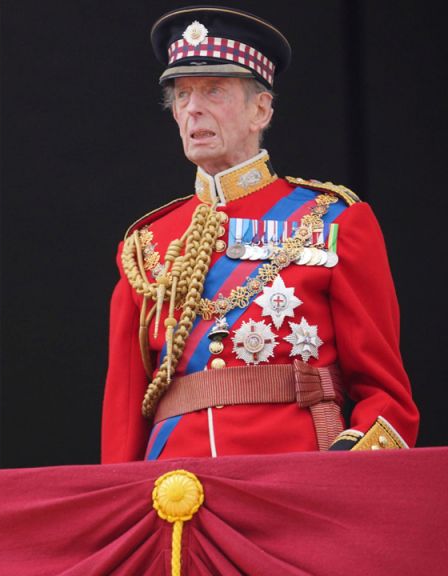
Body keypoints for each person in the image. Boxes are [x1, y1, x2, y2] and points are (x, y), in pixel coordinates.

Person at [101, 6, 419, 463]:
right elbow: (124, 417)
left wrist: (342, 469)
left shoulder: (333, 220)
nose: (193, 108)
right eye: (182, 94)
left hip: (295, 480)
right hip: (175, 486)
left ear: (261, 110)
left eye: (213, 91)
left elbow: (387, 398)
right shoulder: (147, 243)